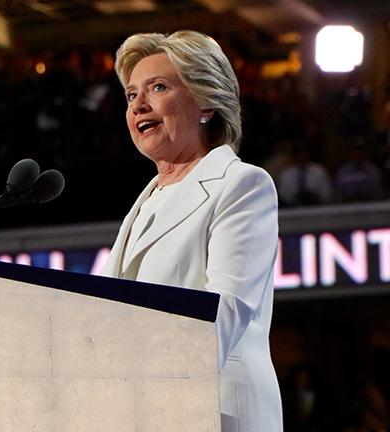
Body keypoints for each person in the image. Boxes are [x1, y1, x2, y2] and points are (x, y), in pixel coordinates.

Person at [100, 30, 283, 431]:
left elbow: (225, 311)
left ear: (205, 102)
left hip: (213, 412)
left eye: (158, 87)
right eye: (131, 95)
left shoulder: (241, 185)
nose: (138, 105)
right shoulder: (145, 200)